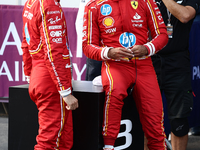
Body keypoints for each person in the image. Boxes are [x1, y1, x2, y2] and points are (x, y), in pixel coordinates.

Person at [82, 0, 168, 149]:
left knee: (155, 121)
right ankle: (108, 146)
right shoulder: (94, 6)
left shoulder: (146, 2)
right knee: (114, 92)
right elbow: (87, 46)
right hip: (115, 64)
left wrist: (147, 49)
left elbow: (162, 35)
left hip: (143, 65)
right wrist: (109, 52)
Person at [21, 0, 78, 149]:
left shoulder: (30, 3)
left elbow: (25, 43)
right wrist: (65, 91)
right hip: (50, 79)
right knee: (49, 142)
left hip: (38, 74)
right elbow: (54, 51)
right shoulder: (49, 5)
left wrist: (29, 74)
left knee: (63, 139)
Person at [146, 0, 200, 150]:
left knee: (179, 121)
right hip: (149, 61)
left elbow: (185, 16)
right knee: (147, 119)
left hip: (177, 63)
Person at [76, 0, 102, 81]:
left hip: (116, 43)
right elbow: (82, 17)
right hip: (96, 44)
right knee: (94, 79)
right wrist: (87, 43)